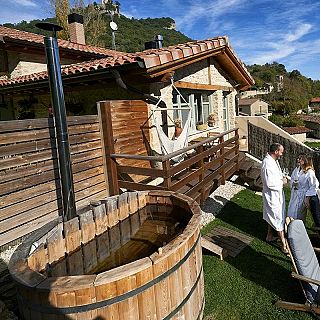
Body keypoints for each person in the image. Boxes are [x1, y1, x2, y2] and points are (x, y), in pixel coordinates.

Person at [261, 143, 287, 253]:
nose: (282, 153)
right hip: (272, 196)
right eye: (281, 151)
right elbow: (270, 183)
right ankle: (284, 245)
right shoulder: (267, 164)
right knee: (278, 218)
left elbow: (277, 175)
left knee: (271, 216)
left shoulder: (274, 161)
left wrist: (282, 178)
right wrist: (282, 182)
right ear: (276, 152)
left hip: (276, 195)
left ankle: (269, 236)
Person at [287, 154, 320, 226]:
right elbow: (292, 179)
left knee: (299, 214)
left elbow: (314, 186)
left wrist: (307, 197)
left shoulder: (310, 172)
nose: (298, 160)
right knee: (291, 211)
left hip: (302, 196)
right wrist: (293, 183)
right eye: (298, 158)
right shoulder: (297, 169)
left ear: (305, 161)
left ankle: (298, 231)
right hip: (294, 194)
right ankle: (290, 229)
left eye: (300, 159)